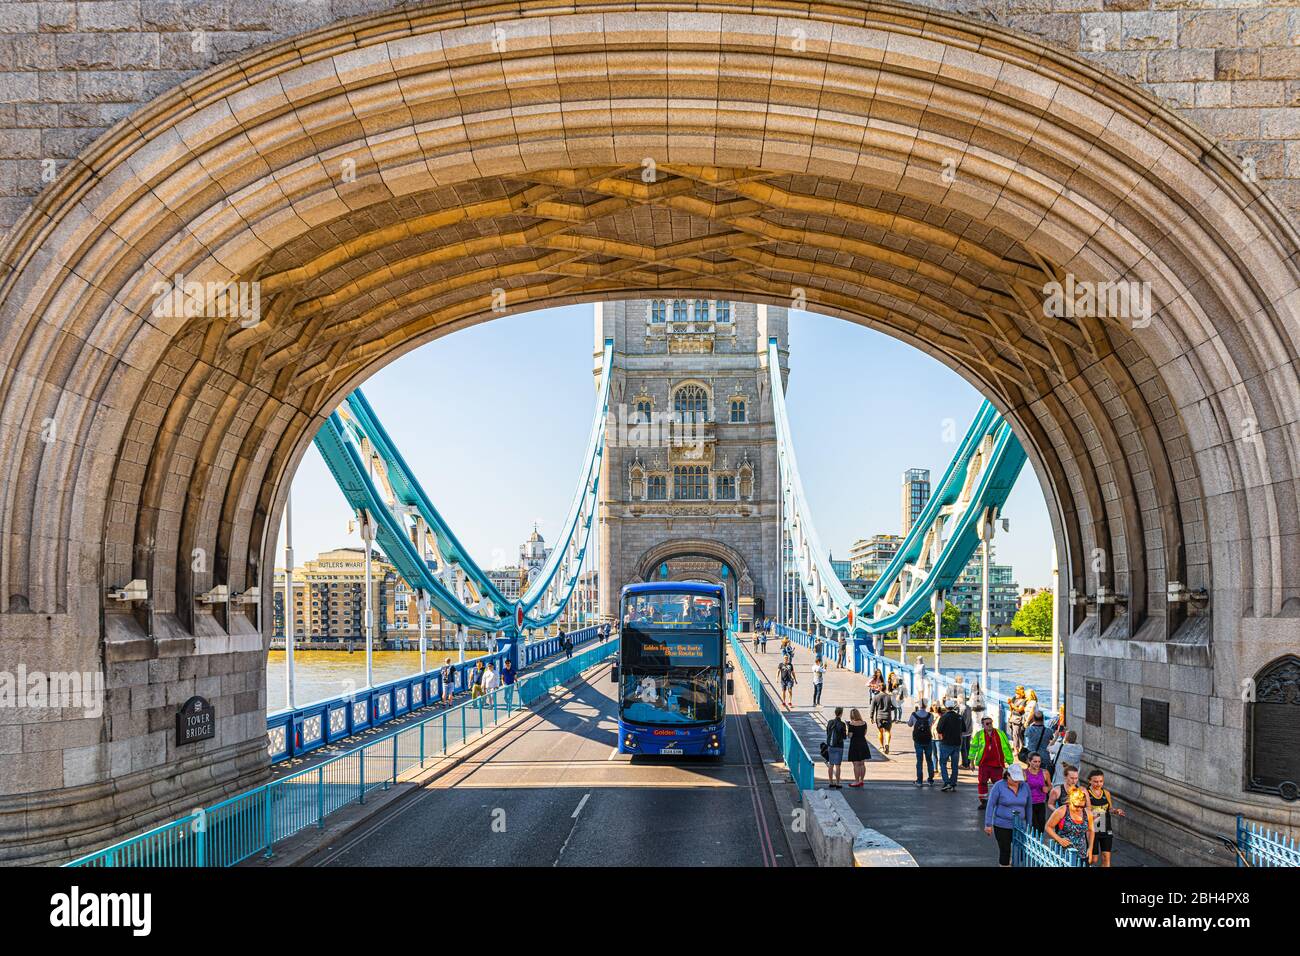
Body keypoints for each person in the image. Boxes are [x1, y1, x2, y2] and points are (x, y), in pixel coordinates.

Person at [984, 764, 1032, 867]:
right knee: (1005, 851)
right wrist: (988, 824)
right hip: (1002, 825)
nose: (1017, 781)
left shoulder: (1025, 786)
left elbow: (1028, 807)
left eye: (1018, 779)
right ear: (1007, 775)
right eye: (1014, 779)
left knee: (1021, 851)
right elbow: (991, 805)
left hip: (1020, 826)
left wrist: (1029, 825)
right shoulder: (999, 786)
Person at [968, 715, 1013, 809]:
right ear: (983, 725)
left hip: (997, 764)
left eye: (991, 723)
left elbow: (1006, 747)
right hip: (983, 764)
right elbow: (973, 749)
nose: (989, 725)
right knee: (982, 782)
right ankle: (983, 801)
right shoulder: (979, 735)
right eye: (987, 723)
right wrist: (971, 762)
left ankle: (1000, 801)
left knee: (999, 784)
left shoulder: (1000, 733)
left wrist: (1010, 762)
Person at [1084, 768, 1126, 867]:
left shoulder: (1106, 793)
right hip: (1093, 829)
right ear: (1089, 780)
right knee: (1093, 859)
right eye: (1095, 781)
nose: (1098, 784)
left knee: (1106, 857)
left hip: (1106, 828)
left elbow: (1109, 808)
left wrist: (1116, 811)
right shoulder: (1086, 793)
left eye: (1101, 781)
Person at [1046, 786, 1095, 864]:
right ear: (1070, 802)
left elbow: (1091, 830)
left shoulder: (1088, 813)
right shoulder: (1062, 810)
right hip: (1063, 853)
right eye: (1076, 806)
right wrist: (1059, 839)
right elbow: (1048, 827)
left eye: (1082, 806)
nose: (1079, 809)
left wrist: (1090, 848)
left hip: (1081, 853)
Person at [935, 699, 964, 791]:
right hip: (957, 743)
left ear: (946, 707)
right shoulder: (959, 717)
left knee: (943, 763)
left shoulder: (944, 717)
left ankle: (946, 782)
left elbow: (939, 730)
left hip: (946, 743)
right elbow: (964, 728)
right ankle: (953, 782)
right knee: (954, 765)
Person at [907, 698, 935, 787]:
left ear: (918, 705)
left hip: (918, 740)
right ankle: (930, 780)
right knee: (929, 760)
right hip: (928, 740)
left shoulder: (914, 715)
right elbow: (931, 724)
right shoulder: (930, 715)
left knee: (919, 760)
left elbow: (909, 724)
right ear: (926, 706)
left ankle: (919, 781)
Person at [1024, 752, 1052, 832]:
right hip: (1029, 804)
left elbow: (1050, 785)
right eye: (1035, 761)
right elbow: (1019, 788)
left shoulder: (1045, 772)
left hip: (1041, 803)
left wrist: (1047, 788)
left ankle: (1037, 843)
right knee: (1034, 827)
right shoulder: (1024, 773)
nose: (1037, 764)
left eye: (1039, 762)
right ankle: (1031, 843)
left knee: (1041, 827)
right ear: (1029, 761)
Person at [846, 707, 871, 787]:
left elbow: (850, 736)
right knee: (862, 764)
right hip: (863, 743)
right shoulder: (864, 723)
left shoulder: (851, 724)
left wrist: (848, 727)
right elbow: (864, 733)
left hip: (855, 744)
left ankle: (856, 781)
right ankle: (861, 780)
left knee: (856, 764)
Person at [824, 706, 848, 789]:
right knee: (838, 765)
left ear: (835, 713)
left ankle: (831, 782)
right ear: (841, 714)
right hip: (839, 746)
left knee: (831, 764)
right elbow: (844, 737)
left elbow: (827, 733)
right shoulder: (842, 724)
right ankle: (837, 783)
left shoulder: (830, 722)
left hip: (830, 745)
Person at [870, 684, 894, 754]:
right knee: (887, 731)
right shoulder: (890, 697)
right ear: (885, 688)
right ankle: (887, 744)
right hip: (887, 717)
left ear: (879, 689)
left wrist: (871, 717)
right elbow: (895, 707)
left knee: (880, 731)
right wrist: (889, 709)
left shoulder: (876, 697)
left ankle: (882, 746)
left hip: (879, 717)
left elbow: (872, 709)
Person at [1007, 686, 1028, 753]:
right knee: (1015, 734)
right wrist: (1010, 704)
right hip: (1012, 717)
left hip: (1018, 718)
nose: (1016, 695)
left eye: (1017, 693)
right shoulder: (1014, 698)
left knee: (1016, 734)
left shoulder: (1024, 701)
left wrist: (1011, 704)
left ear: (1020, 693)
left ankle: (1016, 750)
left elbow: (1019, 710)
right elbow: (1011, 709)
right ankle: (1019, 747)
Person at [958, 694, 975, 769]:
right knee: (968, 747)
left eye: (958, 699)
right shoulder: (968, 707)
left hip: (963, 731)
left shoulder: (961, 709)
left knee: (963, 748)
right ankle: (968, 762)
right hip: (969, 729)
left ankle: (965, 764)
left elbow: (960, 720)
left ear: (960, 700)